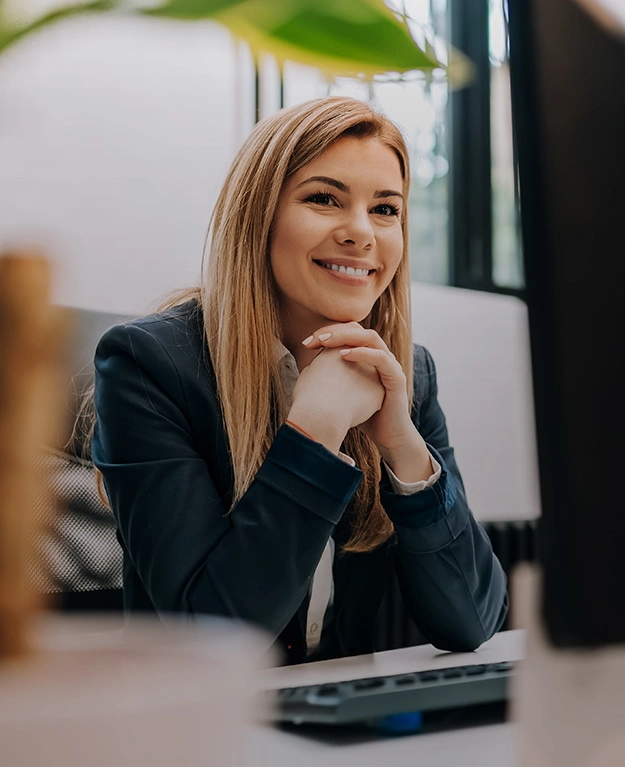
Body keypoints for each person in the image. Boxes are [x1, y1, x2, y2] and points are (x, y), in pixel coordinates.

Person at [92, 96, 508, 665]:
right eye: (323, 199)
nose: (362, 234)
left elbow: (471, 621)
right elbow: (215, 639)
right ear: (257, 217)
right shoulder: (150, 365)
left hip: (338, 730)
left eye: (386, 210)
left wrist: (403, 446)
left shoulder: (405, 372)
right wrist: (315, 430)